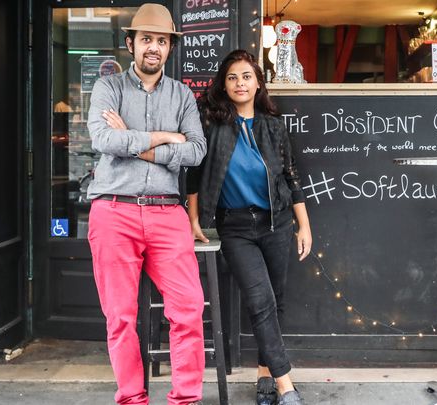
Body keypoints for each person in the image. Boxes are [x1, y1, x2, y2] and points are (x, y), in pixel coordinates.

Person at [86, 4, 207, 405]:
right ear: (130, 44)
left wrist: (137, 142)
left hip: (167, 212)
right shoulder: (109, 88)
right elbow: (105, 141)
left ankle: (185, 399)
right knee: (120, 317)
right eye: (146, 40)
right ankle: (132, 399)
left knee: (188, 310)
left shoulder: (182, 94)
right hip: (113, 211)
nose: (153, 48)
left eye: (161, 41)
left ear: (169, 47)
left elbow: (196, 151)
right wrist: (165, 136)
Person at [186, 49, 312, 405]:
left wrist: (304, 226)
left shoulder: (273, 125)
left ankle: (264, 375)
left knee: (276, 302)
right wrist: (193, 219)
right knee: (260, 301)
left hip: (276, 223)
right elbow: (193, 175)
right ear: (223, 86)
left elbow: (292, 177)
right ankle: (287, 384)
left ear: (258, 82)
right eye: (232, 77)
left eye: (246, 76)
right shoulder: (211, 125)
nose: (240, 83)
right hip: (236, 227)